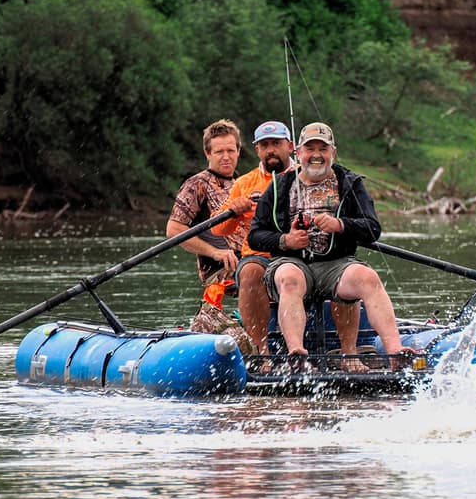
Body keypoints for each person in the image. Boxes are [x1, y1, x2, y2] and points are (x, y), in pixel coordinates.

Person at [248, 121, 416, 371]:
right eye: (310, 149)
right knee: (290, 278)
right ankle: (296, 353)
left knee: (368, 277)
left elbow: (372, 229)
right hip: (292, 262)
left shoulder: (350, 183)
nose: (316, 155)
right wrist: (286, 240)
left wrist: (340, 225)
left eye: (323, 149)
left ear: (332, 153)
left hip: (337, 263)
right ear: (299, 154)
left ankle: (395, 351)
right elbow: (255, 235)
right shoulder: (280, 185)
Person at [213, 121, 358, 360]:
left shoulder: (311, 174)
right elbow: (218, 229)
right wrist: (235, 210)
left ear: (290, 147)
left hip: (309, 255)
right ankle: (261, 352)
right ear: (257, 150)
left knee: (345, 266)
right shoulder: (244, 184)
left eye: (276, 144)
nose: (271, 150)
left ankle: (349, 354)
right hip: (262, 256)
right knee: (249, 271)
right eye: (265, 145)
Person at [166, 119, 252, 353]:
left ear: (238, 151)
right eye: (219, 151)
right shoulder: (196, 185)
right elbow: (174, 230)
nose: (226, 157)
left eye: (231, 150)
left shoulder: (244, 184)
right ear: (208, 153)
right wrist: (215, 252)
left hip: (252, 260)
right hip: (220, 269)